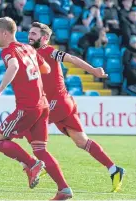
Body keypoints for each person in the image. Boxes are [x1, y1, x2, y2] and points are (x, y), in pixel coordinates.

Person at [0, 17, 73, 200]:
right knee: (40, 149)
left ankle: (31, 164)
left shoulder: (8, 52)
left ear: (5, 33)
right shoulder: (28, 48)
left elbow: (13, 65)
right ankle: (63, 188)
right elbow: (46, 69)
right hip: (43, 105)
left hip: (27, 107)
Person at [27, 22, 125, 192]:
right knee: (82, 141)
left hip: (57, 104)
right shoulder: (32, 53)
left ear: (44, 38)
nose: (30, 36)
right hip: (64, 103)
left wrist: (93, 70)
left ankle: (36, 164)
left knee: (27, 127)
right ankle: (114, 169)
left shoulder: (49, 51)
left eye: (34, 34)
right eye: (30, 33)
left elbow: (71, 58)